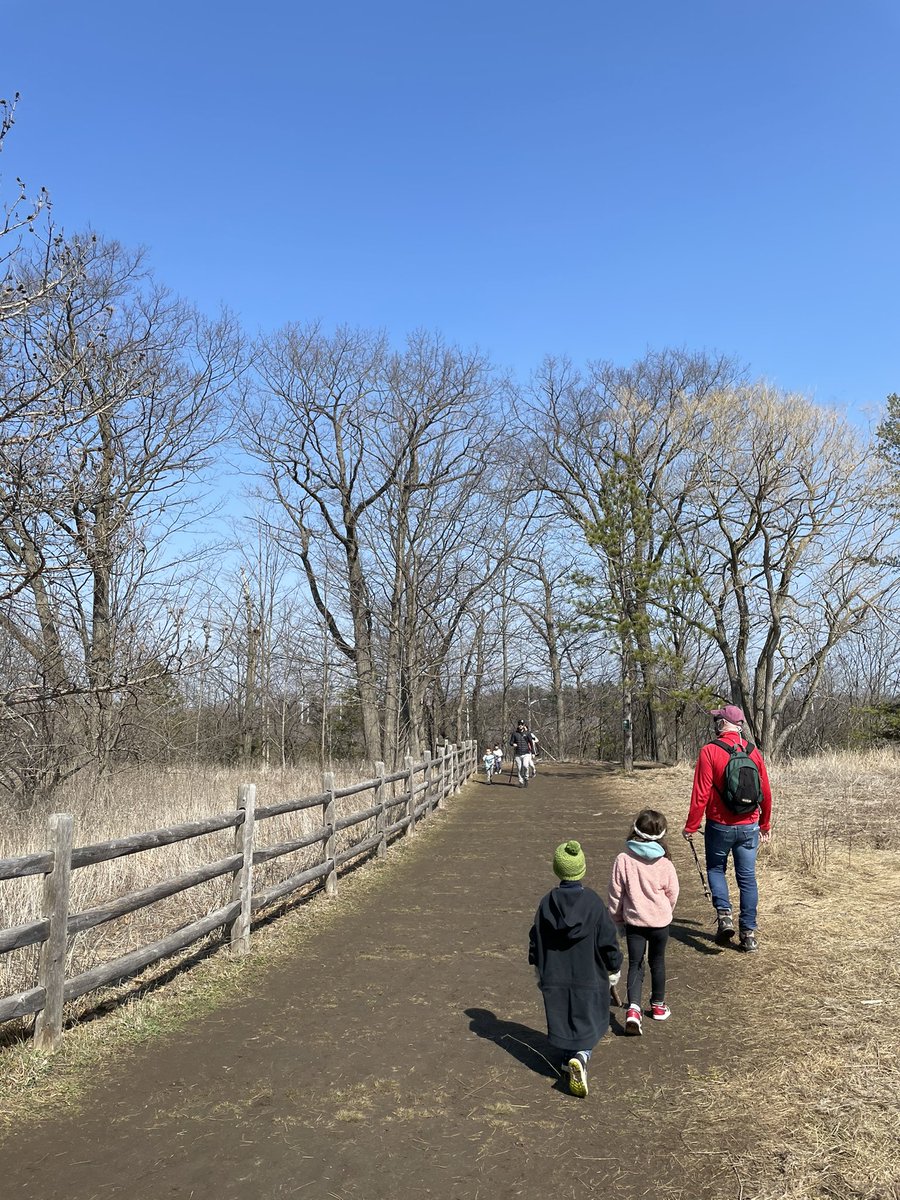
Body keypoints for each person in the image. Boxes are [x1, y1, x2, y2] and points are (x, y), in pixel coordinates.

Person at [528, 839, 622, 1097]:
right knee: (589, 1019)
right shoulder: (592, 903)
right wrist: (614, 968)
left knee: (564, 1016)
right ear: (582, 869)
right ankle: (581, 1056)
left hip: (555, 977)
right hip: (589, 977)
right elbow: (608, 941)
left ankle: (570, 1056)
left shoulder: (546, 903)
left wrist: (537, 966)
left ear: (557, 870)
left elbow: (535, 938)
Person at [682, 705, 773, 953]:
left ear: (723, 724)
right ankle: (749, 935)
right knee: (747, 878)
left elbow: (700, 794)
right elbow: (765, 793)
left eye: (717, 719)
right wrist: (764, 824)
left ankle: (725, 917)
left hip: (719, 825)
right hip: (749, 826)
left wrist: (691, 826)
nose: (715, 723)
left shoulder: (709, 751)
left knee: (715, 868)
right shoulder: (754, 752)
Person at [607, 809, 679, 1036]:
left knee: (636, 963)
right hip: (660, 923)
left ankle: (633, 1011)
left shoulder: (624, 859)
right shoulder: (665, 863)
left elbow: (615, 894)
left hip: (635, 922)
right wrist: (667, 911)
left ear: (635, 830)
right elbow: (673, 893)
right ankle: (658, 1006)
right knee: (657, 962)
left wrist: (616, 919)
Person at [509, 720, 535, 787]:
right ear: (518, 725)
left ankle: (526, 778)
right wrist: (513, 744)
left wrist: (533, 752)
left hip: (526, 753)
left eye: (522, 724)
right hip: (518, 754)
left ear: (523, 725)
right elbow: (510, 742)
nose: (520, 725)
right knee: (519, 768)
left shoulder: (527, 733)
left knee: (525, 766)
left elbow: (531, 743)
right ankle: (521, 781)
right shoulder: (514, 733)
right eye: (519, 724)